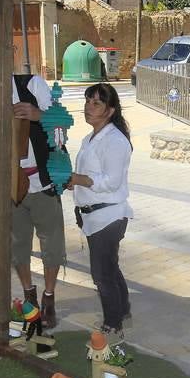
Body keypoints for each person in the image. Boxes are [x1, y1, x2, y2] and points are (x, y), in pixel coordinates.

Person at [0, 34, 65, 328]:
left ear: (3, 58)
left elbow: (60, 128)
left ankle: (48, 296)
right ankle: (29, 293)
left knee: (52, 244)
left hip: (42, 181)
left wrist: (37, 115)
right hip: (8, 186)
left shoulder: (32, 85)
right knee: (17, 246)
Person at [67, 84, 133, 344]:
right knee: (110, 268)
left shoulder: (115, 141)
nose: (88, 107)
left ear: (110, 110)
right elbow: (89, 176)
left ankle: (113, 326)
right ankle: (122, 311)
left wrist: (79, 179)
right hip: (94, 216)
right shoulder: (91, 138)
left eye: (96, 103)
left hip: (108, 216)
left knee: (102, 274)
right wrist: (74, 182)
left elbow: (111, 182)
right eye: (87, 101)